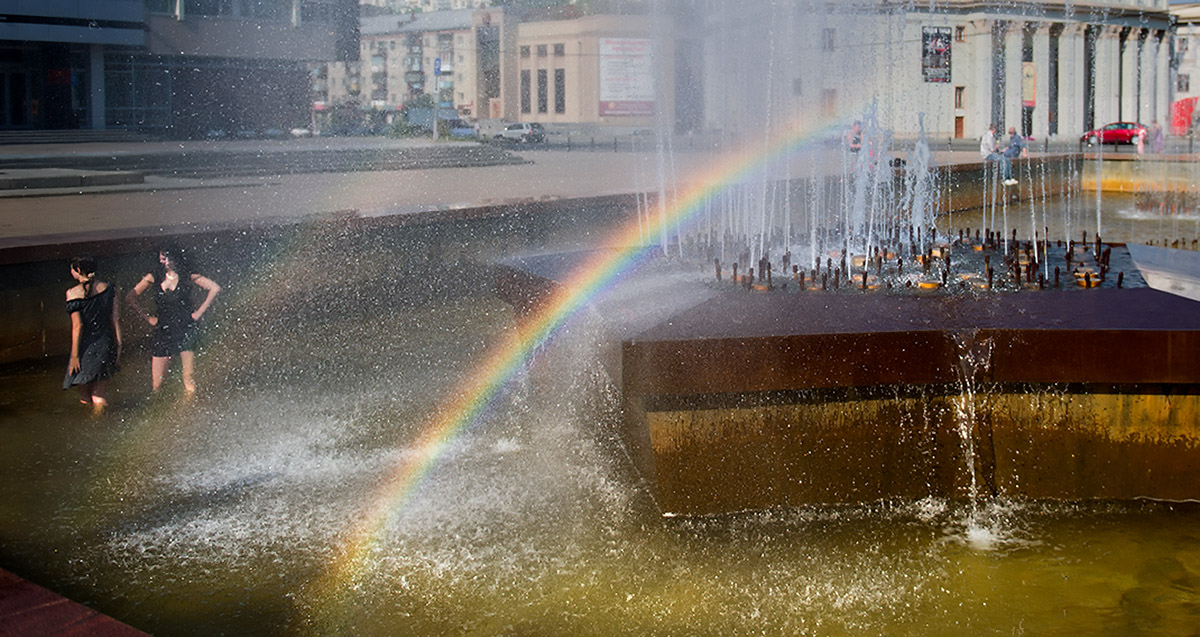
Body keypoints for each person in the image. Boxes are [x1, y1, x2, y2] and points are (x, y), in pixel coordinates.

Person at [126, 247, 221, 394]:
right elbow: (131, 297)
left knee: (188, 377)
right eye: (161, 258)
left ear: (175, 258)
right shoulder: (154, 277)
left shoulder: (187, 275)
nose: (163, 261)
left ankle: (190, 408)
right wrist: (147, 317)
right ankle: (159, 409)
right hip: (163, 328)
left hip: (184, 327)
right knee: (157, 384)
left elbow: (214, 288)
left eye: (166, 258)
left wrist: (198, 313)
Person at [63, 256, 121, 412]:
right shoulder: (109, 289)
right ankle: (99, 423)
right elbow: (115, 319)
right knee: (99, 395)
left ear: (78, 271)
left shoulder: (73, 293)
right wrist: (118, 345)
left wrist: (75, 356)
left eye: (72, 268)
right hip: (106, 342)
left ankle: (93, 424)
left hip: (85, 346)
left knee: (84, 394)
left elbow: (78, 326)